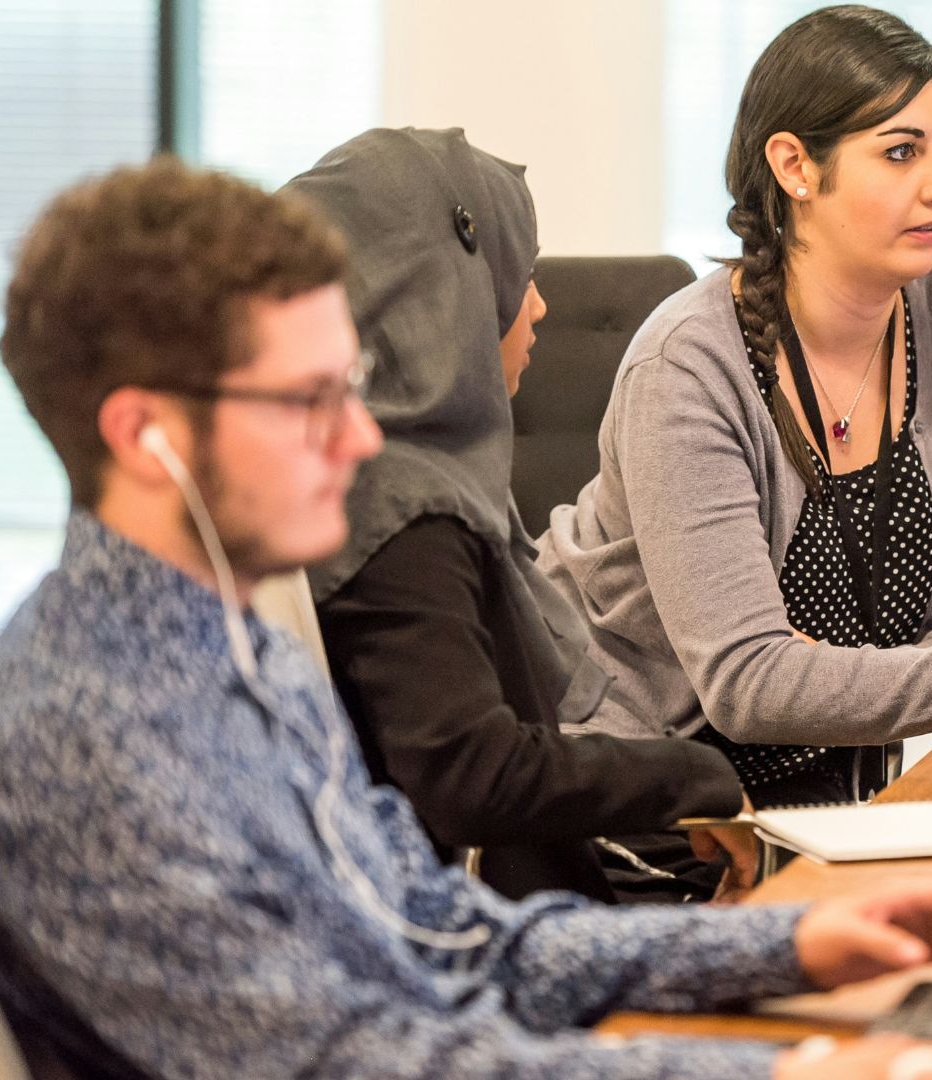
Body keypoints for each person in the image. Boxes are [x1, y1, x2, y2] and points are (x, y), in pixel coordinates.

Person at [0, 156, 932, 1079]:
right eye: (309, 401)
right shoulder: (83, 735)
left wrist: (788, 946)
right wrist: (781, 1069)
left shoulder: (235, 656)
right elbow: (363, 1062)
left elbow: (447, 939)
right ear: (143, 435)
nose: (356, 441)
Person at [538, 4, 932, 806]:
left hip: (840, 796)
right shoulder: (689, 366)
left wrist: (850, 679)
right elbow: (750, 685)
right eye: (901, 152)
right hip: (656, 811)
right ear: (795, 167)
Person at [285, 128, 751, 904]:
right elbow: (471, 776)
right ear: (443, 292)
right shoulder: (404, 511)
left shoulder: (388, 479)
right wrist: (692, 778)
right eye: (519, 274)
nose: (538, 304)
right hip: (485, 939)